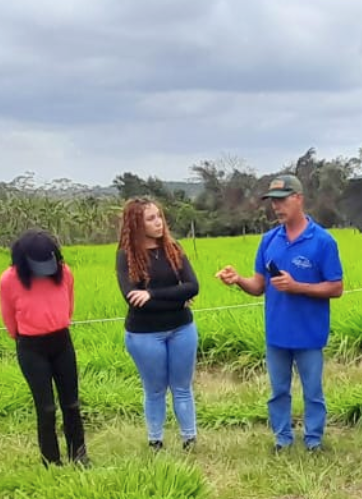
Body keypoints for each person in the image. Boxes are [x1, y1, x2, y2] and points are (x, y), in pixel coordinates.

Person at [216, 174, 344, 452]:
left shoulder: (323, 241)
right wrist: (238, 279)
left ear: (298, 199)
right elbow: (258, 285)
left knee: (312, 392)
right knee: (278, 392)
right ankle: (282, 439)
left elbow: (336, 288)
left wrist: (297, 286)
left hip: (309, 332)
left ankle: (314, 440)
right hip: (277, 332)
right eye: (273, 202)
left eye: (282, 200)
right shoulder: (268, 240)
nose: (276, 207)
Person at [116, 199, 200, 451]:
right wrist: (177, 298)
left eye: (159, 216)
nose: (158, 223)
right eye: (150, 219)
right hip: (144, 334)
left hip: (182, 329)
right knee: (154, 389)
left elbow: (193, 286)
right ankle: (156, 440)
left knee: (182, 387)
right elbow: (133, 299)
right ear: (136, 225)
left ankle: (190, 439)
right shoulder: (126, 256)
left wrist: (152, 294)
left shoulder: (174, 249)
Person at [0, 231, 89, 466]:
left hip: (61, 341)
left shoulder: (64, 272)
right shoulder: (9, 279)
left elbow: (68, 306)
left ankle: (78, 455)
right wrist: (27, 332)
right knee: (46, 408)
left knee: (71, 403)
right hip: (31, 347)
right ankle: (51, 461)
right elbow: (9, 317)